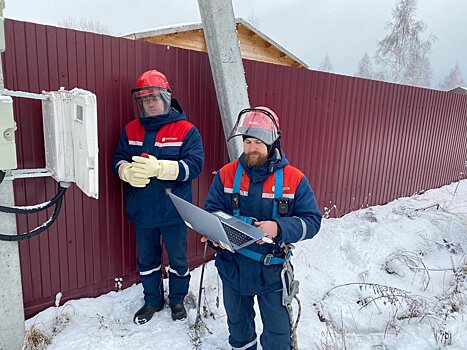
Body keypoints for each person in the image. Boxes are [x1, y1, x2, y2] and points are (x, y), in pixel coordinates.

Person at [203, 107, 321, 350]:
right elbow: (212, 210)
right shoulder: (226, 174)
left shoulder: (294, 179)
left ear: (273, 141)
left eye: (258, 141)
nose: (251, 148)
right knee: (239, 330)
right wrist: (214, 233)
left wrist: (278, 227)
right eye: (247, 141)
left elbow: (312, 221)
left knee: (278, 338)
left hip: (272, 272)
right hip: (232, 267)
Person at [112, 69, 204, 324]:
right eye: (144, 99)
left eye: (154, 97)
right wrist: (126, 172)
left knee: (177, 258)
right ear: (139, 102)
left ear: (166, 98)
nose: (149, 103)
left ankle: (177, 300)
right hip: (143, 210)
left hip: (173, 211)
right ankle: (152, 299)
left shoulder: (187, 130)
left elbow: (195, 165)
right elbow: (118, 158)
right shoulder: (131, 129)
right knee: (147, 259)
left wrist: (162, 169)